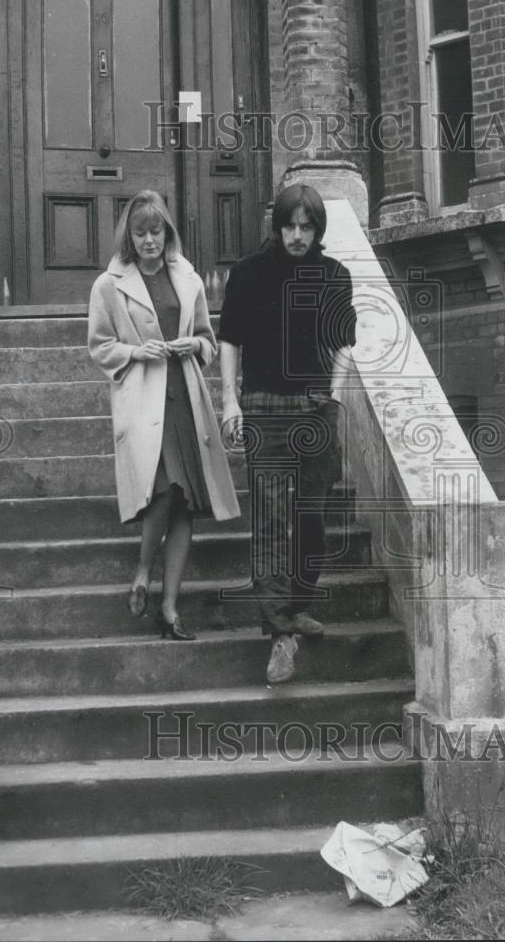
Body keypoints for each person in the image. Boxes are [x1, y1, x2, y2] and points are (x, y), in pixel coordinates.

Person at [219, 183, 356, 683]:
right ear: (276, 225)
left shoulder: (334, 276)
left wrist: (334, 394)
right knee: (274, 521)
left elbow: (344, 342)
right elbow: (229, 340)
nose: (297, 235)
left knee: (314, 517)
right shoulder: (249, 274)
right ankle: (280, 635)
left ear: (318, 229)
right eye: (290, 225)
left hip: (317, 409)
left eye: (307, 226)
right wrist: (229, 399)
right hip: (265, 407)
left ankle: (295, 604)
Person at [88, 190, 240, 640]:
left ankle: (170, 608)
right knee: (164, 491)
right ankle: (142, 570)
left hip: (184, 396)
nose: (150, 240)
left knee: (184, 505)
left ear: (167, 232)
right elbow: (99, 346)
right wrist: (137, 350)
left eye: (157, 231)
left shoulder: (187, 276)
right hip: (143, 398)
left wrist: (194, 345)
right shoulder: (109, 284)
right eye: (141, 233)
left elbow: (208, 340)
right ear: (129, 237)